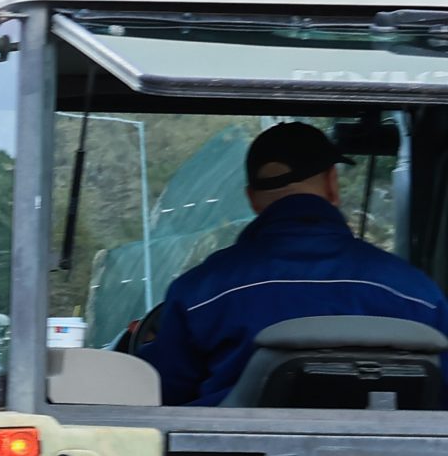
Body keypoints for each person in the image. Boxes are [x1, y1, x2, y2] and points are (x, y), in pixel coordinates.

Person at [142, 122, 448, 406]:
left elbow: (162, 396)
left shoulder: (199, 292)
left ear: (252, 199)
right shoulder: (419, 295)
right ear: (332, 184)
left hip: (227, 447)